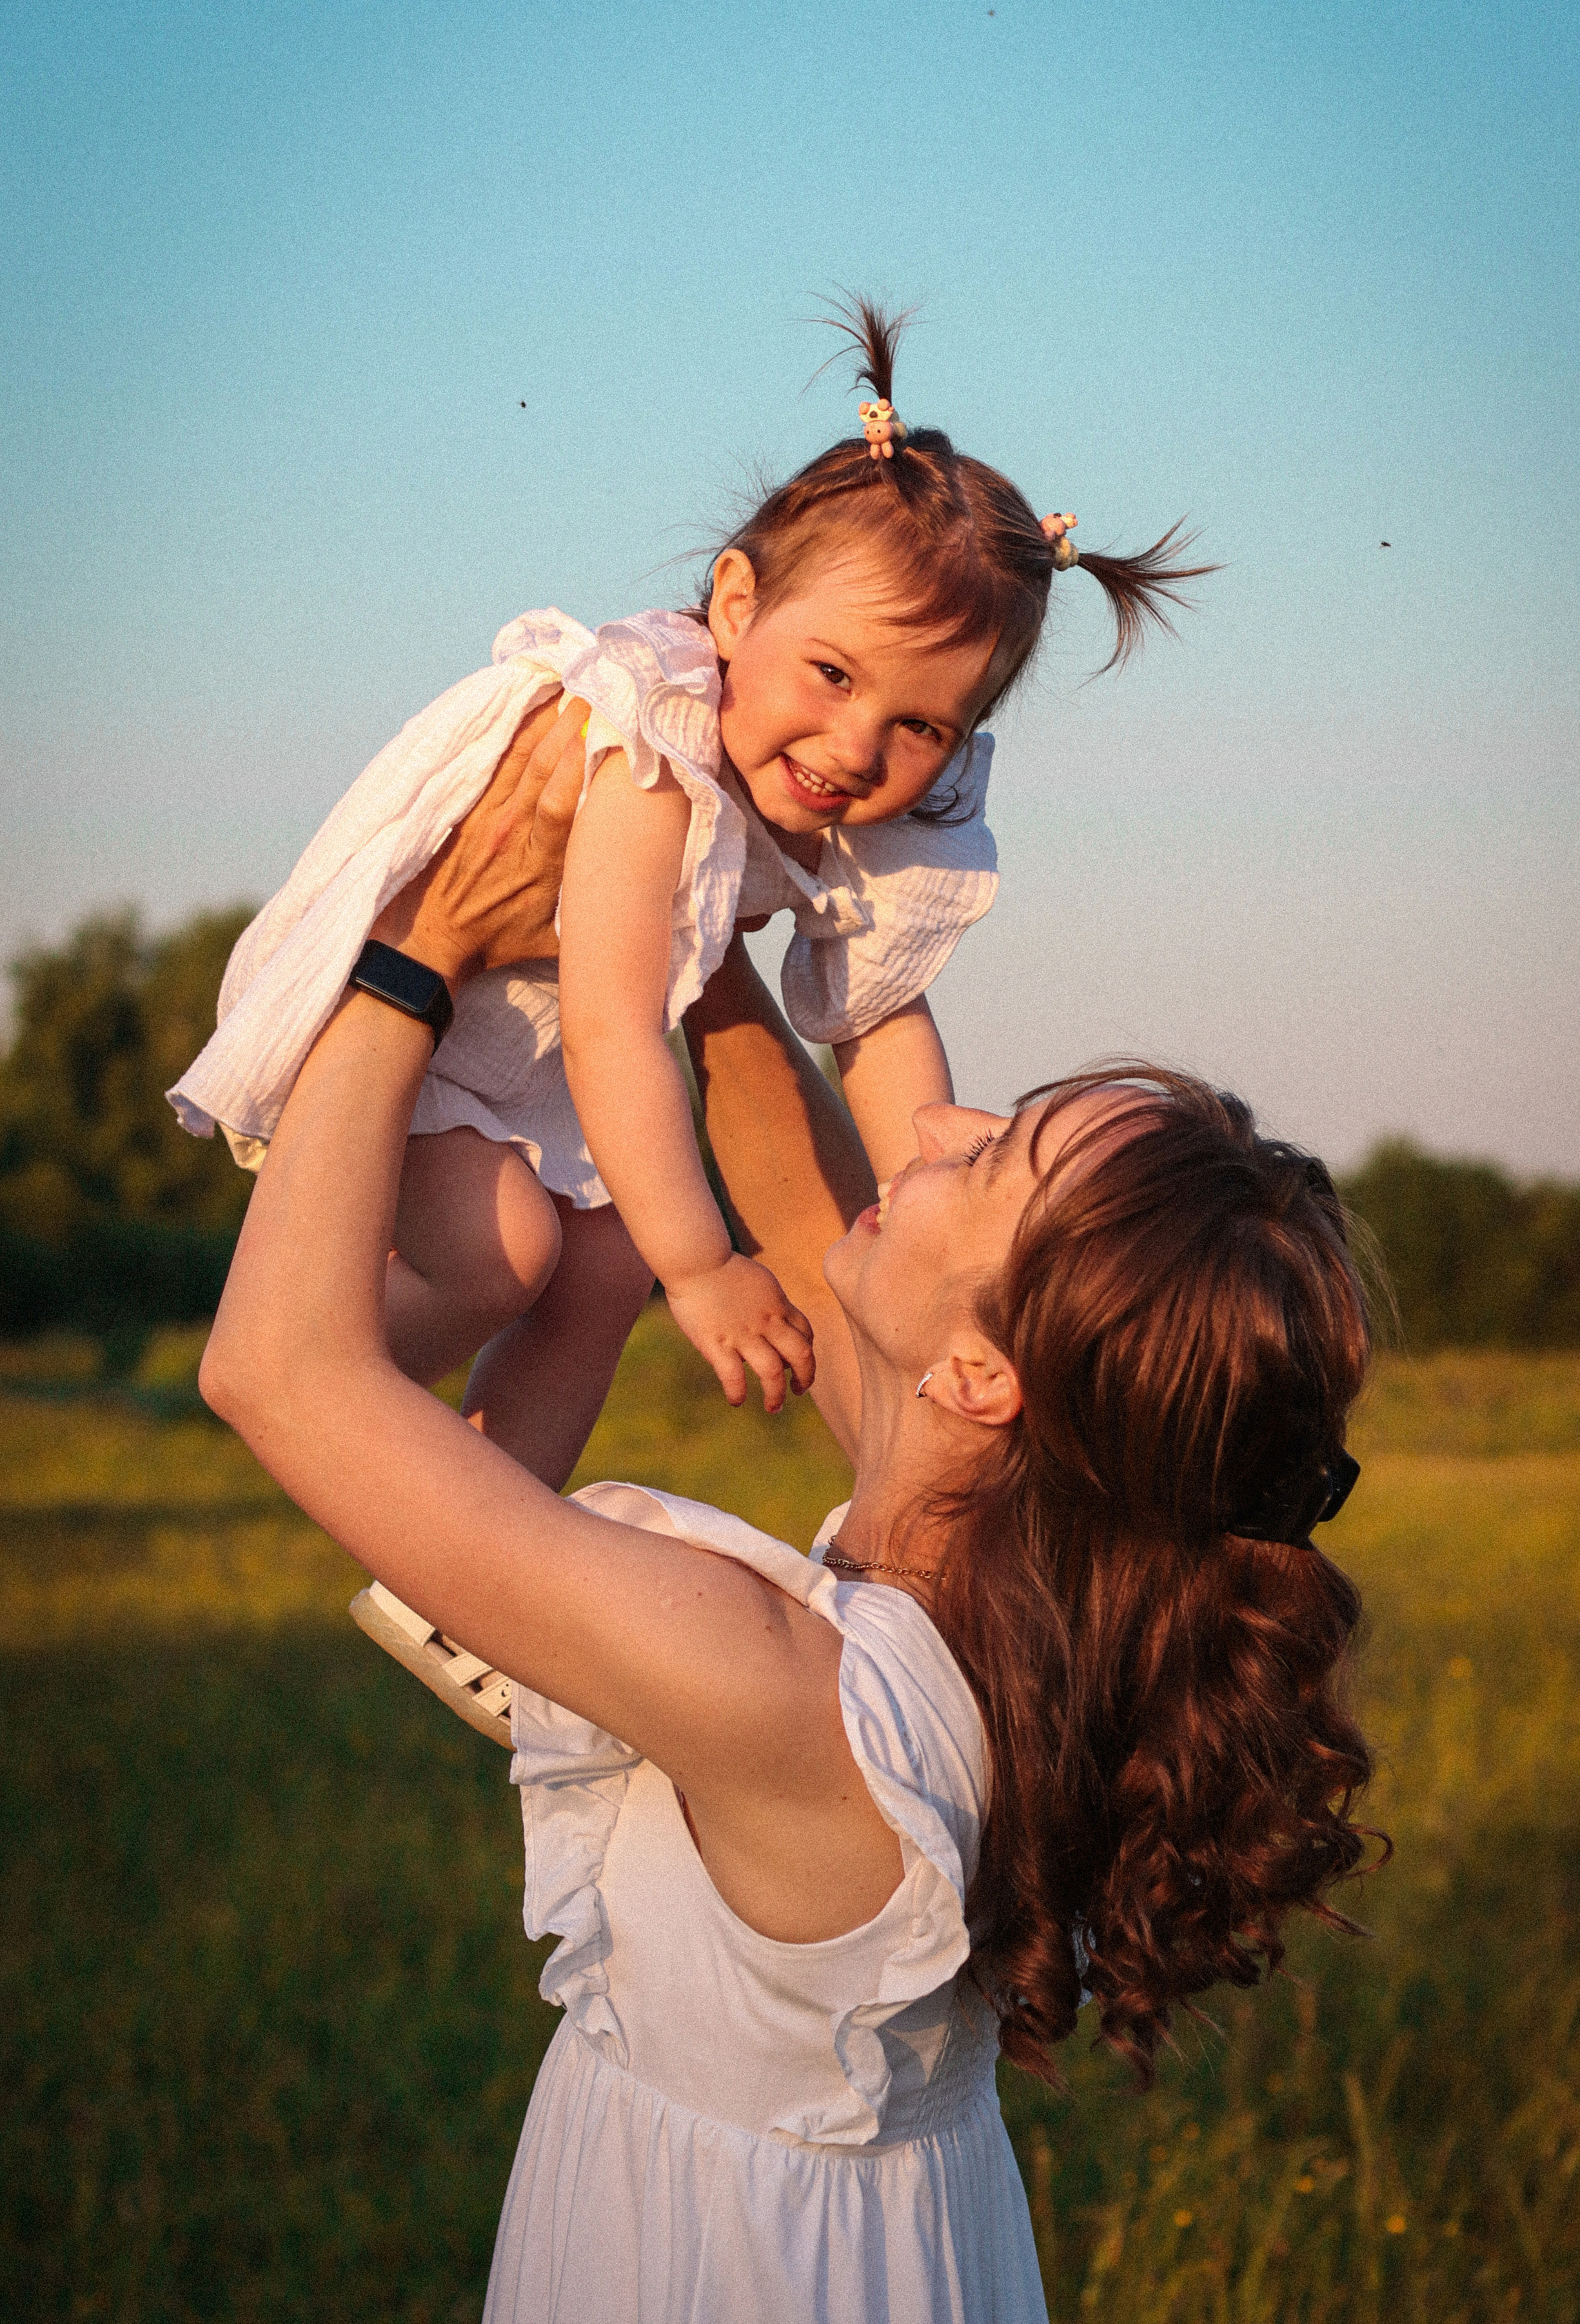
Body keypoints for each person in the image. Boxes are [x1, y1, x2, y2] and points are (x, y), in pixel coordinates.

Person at [200, 713, 1380, 2324]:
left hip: (706, 2270)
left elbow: (279, 1370)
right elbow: (797, 1181)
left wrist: (413, 951)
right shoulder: (1027, 1604)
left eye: (998, 1160)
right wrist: (689, 917)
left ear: (980, 1374)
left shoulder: (781, 1689)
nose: (943, 1127)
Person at [172, 302, 1208, 1527]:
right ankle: (315, 1404)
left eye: (922, 725)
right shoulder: (646, 742)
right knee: (508, 1247)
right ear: (733, 607)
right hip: (426, 1013)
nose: (856, 747)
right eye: (832, 674)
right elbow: (617, 1021)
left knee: (608, 1262)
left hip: (534, 1050)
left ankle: (486, 1556)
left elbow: (878, 1019)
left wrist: (958, 1236)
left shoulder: (878, 795)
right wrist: (707, 1267)